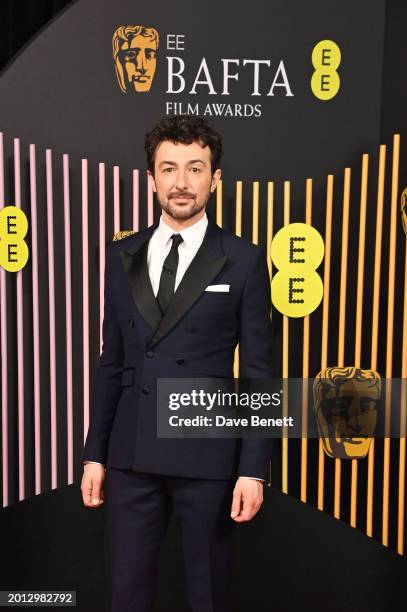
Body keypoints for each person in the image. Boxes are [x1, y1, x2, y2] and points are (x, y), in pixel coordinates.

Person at [81, 115, 274, 612]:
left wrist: (254, 469)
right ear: (151, 179)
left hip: (208, 458)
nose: (181, 182)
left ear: (215, 178)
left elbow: (259, 373)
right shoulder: (121, 255)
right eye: (168, 169)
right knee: (126, 595)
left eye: (194, 168)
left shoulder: (244, 259)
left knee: (208, 595)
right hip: (131, 455)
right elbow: (111, 361)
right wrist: (94, 455)